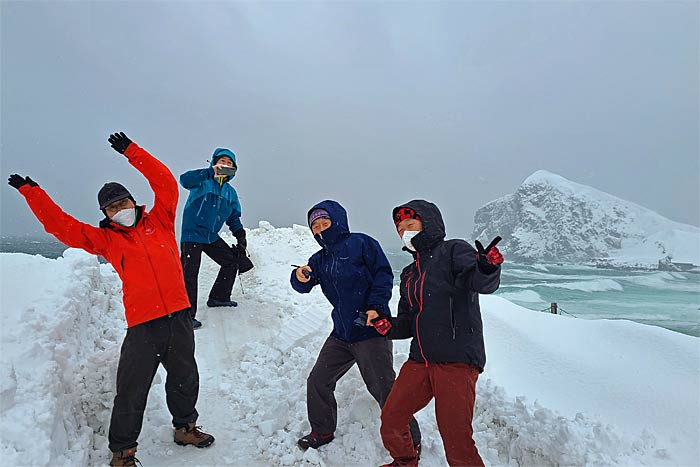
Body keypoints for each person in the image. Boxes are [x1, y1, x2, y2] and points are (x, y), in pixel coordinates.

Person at [7, 132, 215, 467]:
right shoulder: (106, 240)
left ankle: (186, 427)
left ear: (134, 202)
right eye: (112, 206)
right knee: (131, 391)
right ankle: (123, 452)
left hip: (178, 315)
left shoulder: (160, 221)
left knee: (185, 377)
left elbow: (165, 183)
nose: (120, 208)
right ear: (105, 213)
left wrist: (133, 152)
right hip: (143, 325)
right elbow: (61, 226)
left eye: (123, 202)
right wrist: (33, 193)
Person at [376, 200, 503, 467]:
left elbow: (478, 282)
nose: (404, 231)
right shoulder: (409, 273)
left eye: (410, 224)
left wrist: (487, 267)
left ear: (428, 223)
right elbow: (408, 322)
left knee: (456, 438)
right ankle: (405, 461)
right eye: (399, 228)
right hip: (419, 360)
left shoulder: (452, 250)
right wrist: (388, 326)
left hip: (456, 360)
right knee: (392, 418)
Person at [290, 200, 421, 455]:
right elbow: (304, 285)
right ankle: (322, 430)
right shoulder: (319, 258)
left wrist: (376, 306)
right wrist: (298, 277)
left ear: (337, 220)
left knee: (384, 388)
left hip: (370, 331)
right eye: (314, 226)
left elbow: (384, 275)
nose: (320, 230)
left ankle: (409, 442)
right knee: (318, 380)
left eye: (324, 223)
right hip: (341, 334)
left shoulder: (362, 243)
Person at [179, 148, 247, 329]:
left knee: (231, 261)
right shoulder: (203, 181)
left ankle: (219, 297)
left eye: (229, 162)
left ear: (234, 168)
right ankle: (185, 316)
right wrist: (211, 172)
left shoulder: (230, 193)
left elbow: (233, 216)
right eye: (222, 161)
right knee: (190, 273)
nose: (225, 164)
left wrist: (240, 234)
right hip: (192, 233)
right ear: (215, 163)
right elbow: (184, 180)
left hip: (210, 236)